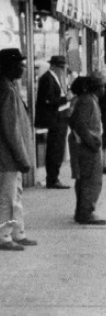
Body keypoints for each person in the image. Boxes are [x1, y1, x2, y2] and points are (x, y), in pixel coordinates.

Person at [0, 48, 36, 250]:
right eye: (19, 64)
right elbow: (10, 128)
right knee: (7, 198)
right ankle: (4, 237)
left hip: (12, 156)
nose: (23, 68)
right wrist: (22, 157)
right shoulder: (5, 89)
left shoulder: (10, 86)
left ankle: (18, 232)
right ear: (8, 66)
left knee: (16, 195)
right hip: (7, 156)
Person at [67, 76, 105, 225]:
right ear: (95, 88)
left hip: (86, 144)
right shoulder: (87, 101)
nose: (104, 89)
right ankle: (85, 213)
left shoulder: (88, 100)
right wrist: (91, 142)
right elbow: (80, 124)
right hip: (87, 146)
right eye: (101, 86)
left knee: (86, 179)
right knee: (91, 180)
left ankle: (82, 211)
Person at [35, 54, 71, 188]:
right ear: (55, 66)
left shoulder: (56, 77)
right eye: (61, 67)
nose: (63, 70)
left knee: (58, 148)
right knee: (55, 149)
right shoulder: (48, 78)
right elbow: (49, 100)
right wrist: (66, 98)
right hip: (54, 119)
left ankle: (54, 177)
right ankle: (52, 178)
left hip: (60, 117)